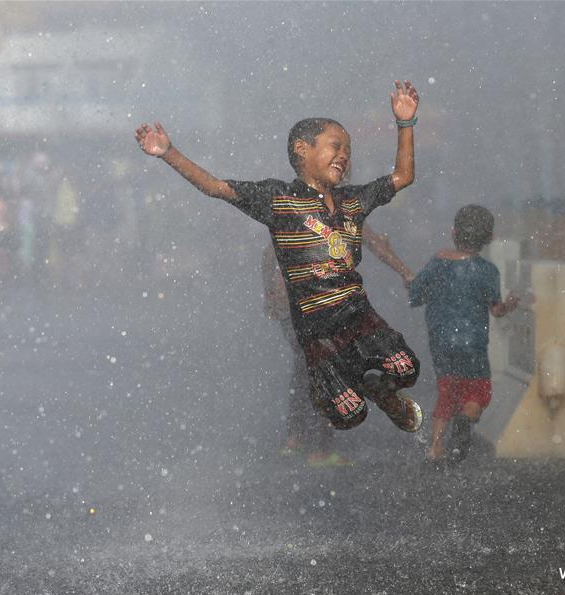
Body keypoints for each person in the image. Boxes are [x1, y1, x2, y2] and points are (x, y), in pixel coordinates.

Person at [136, 80, 424, 438]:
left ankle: (383, 393)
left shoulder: (353, 200)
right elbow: (216, 187)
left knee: (406, 369)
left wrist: (405, 124)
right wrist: (169, 152)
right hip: (316, 330)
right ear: (302, 150)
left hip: (359, 316)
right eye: (336, 146)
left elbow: (403, 176)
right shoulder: (279, 199)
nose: (345, 155)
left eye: (348, 150)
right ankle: (339, 389)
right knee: (349, 415)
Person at [263, 226, 416, 466]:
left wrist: (269, 293)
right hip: (317, 304)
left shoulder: (298, 204)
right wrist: (406, 272)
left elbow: (271, 251)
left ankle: (295, 438)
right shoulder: (337, 208)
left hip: (290, 303)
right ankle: (319, 449)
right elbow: (376, 244)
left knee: (305, 366)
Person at [407, 204, 519, 464]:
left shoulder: (436, 263)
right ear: (489, 238)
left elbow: (416, 296)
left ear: (454, 232)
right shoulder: (487, 271)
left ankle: (435, 447)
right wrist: (510, 305)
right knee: (479, 391)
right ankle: (465, 420)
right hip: (473, 344)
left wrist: (410, 281)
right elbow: (496, 310)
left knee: (447, 392)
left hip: (442, 342)